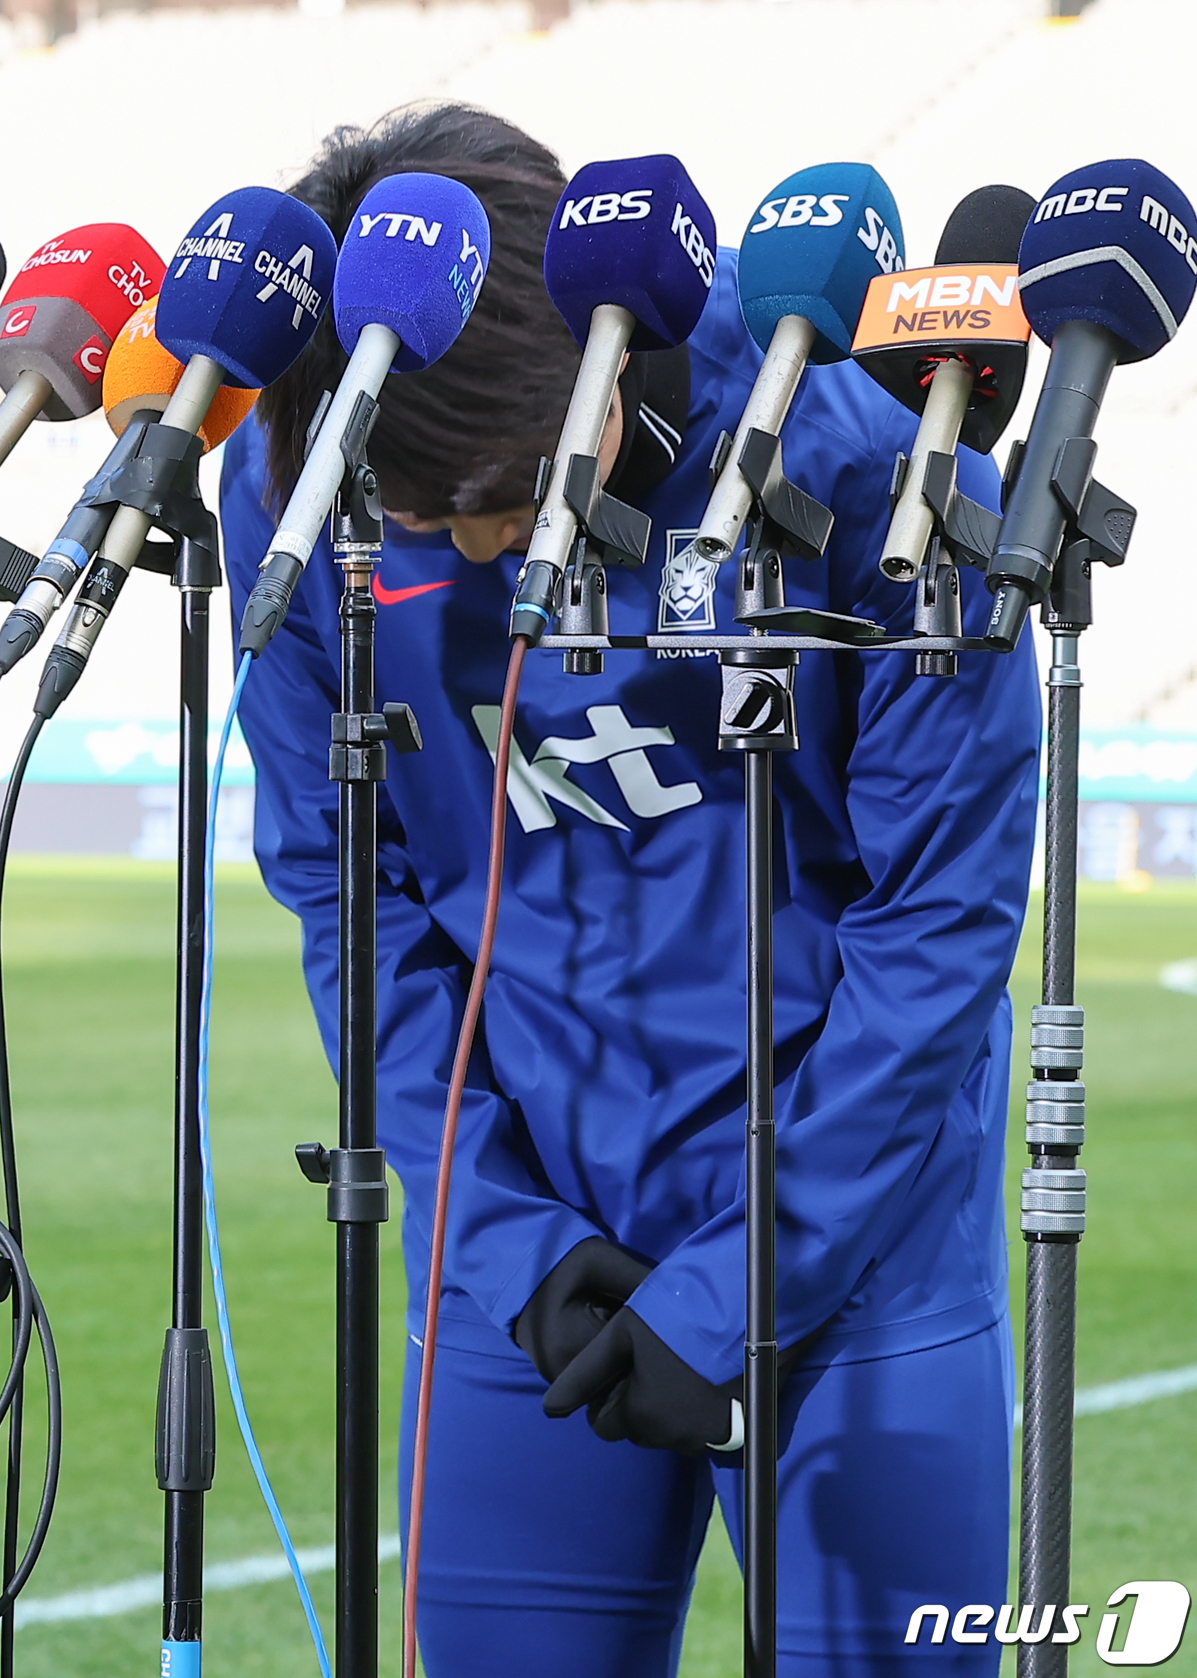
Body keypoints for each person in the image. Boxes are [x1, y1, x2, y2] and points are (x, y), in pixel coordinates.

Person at [220, 100, 1041, 1677]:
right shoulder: (312, 482)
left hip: (854, 1262)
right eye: (419, 518)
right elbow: (353, 900)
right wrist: (499, 1242)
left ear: (594, 365)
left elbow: (935, 933)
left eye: (500, 494)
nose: (468, 549)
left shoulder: (868, 446)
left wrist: (752, 1268)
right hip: (529, 1264)